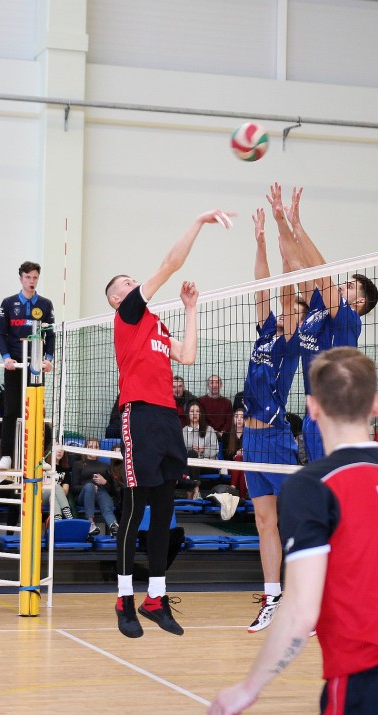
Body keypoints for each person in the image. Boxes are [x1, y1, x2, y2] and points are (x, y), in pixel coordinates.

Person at [209, 348, 378, 715]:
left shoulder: (313, 486)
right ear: (377, 404)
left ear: (312, 407)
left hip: (364, 687)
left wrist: (249, 688)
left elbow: (301, 612)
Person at [104, 207, 233, 638]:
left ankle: (155, 599)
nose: (133, 283)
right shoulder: (127, 316)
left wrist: (191, 309)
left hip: (166, 419)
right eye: (126, 283)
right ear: (117, 298)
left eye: (131, 281)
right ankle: (124, 599)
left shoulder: (157, 326)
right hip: (138, 414)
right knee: (134, 509)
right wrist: (198, 221)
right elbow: (170, 264)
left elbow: (188, 356)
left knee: (164, 511)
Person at [268, 183, 378, 463]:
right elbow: (297, 265)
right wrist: (281, 221)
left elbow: (322, 275)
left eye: (350, 286)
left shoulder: (348, 319)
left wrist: (297, 225)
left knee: (331, 483)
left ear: (360, 301)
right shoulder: (319, 306)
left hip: (333, 416)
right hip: (312, 414)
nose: (343, 286)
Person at [240, 207, 303, 633]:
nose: (283, 311)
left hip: (277, 439)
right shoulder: (265, 332)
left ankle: (309, 596)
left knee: (295, 521)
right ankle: (272, 596)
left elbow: (281, 292)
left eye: (291, 308)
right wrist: (260, 241)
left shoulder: (290, 341)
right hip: (251, 440)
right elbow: (262, 288)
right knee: (265, 522)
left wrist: (285, 244)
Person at [0, 261, 55, 470]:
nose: (32, 281)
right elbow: (1, 334)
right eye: (28, 277)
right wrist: (6, 358)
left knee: (37, 411)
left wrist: (48, 359)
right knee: (11, 410)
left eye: (35, 277)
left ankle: (39, 457)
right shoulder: (8, 303)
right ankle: (7, 456)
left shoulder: (45, 304)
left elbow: (50, 334)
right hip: (15, 365)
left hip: (36, 365)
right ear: (21, 278)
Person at [70, 439, 120, 536]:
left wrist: (105, 482)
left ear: (99, 449)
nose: (93, 449)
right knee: (90, 486)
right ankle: (91, 524)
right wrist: (91, 487)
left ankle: (113, 525)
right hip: (84, 495)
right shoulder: (78, 464)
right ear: (85, 449)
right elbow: (74, 488)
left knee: (104, 495)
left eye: (96, 447)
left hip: (101, 492)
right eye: (90, 447)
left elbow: (112, 491)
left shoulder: (106, 466)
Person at [182, 400, 220, 494]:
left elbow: (215, 449)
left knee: (190, 466)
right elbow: (181, 451)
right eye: (192, 411)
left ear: (201, 414)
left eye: (197, 411)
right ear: (188, 414)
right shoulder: (183, 431)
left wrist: (203, 450)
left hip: (206, 464)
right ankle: (196, 489)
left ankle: (190, 493)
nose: (195, 414)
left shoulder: (209, 430)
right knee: (191, 454)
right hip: (190, 464)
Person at [221, 407, 248, 500]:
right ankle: (243, 498)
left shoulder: (250, 435)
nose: (239, 419)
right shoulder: (226, 435)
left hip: (246, 465)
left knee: (242, 463)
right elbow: (225, 456)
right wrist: (235, 455)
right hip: (230, 466)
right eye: (236, 417)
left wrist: (244, 454)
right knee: (239, 458)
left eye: (242, 417)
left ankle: (232, 487)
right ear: (233, 419)